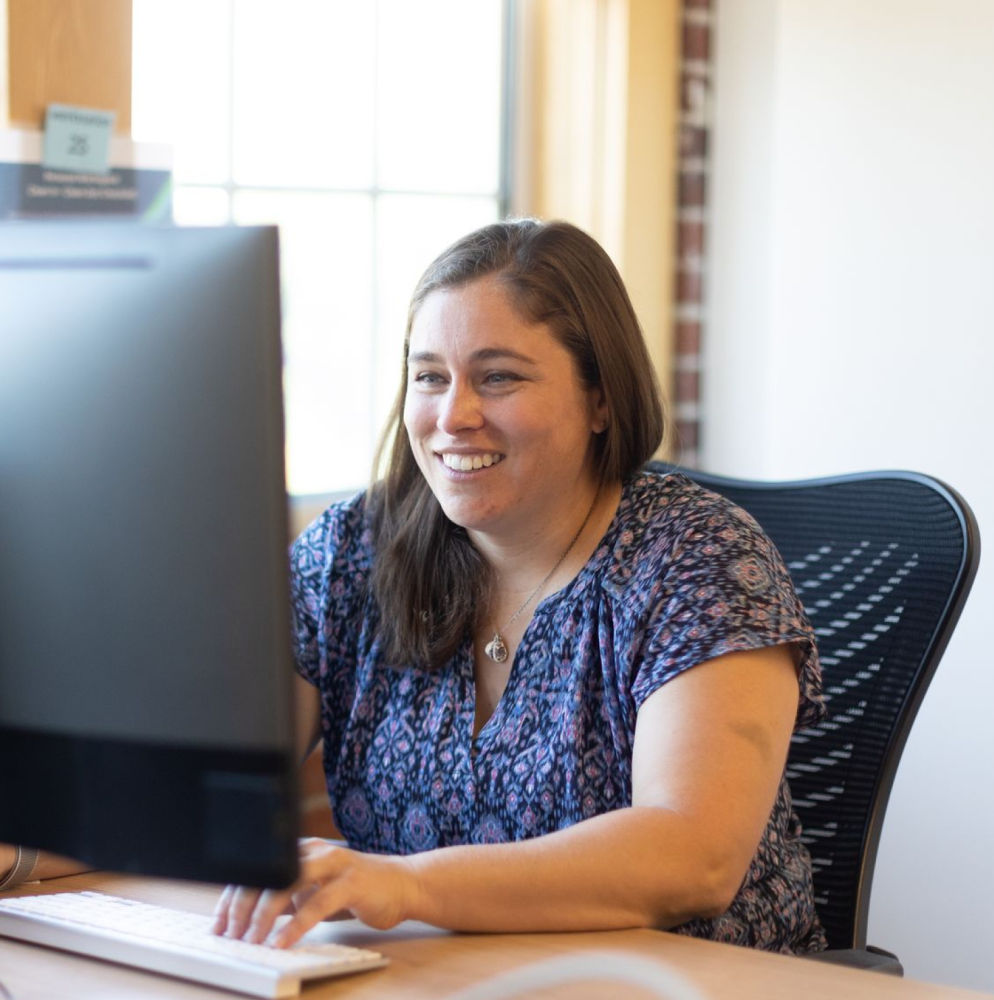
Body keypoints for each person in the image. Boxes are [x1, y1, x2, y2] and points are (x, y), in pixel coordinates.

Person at [214, 217, 828, 955]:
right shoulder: (355, 551)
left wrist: (405, 884)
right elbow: (211, 779)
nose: (453, 416)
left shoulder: (698, 556)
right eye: (430, 376)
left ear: (601, 398)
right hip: (444, 992)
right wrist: (34, 855)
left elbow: (692, 856)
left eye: (499, 377)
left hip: (691, 996)